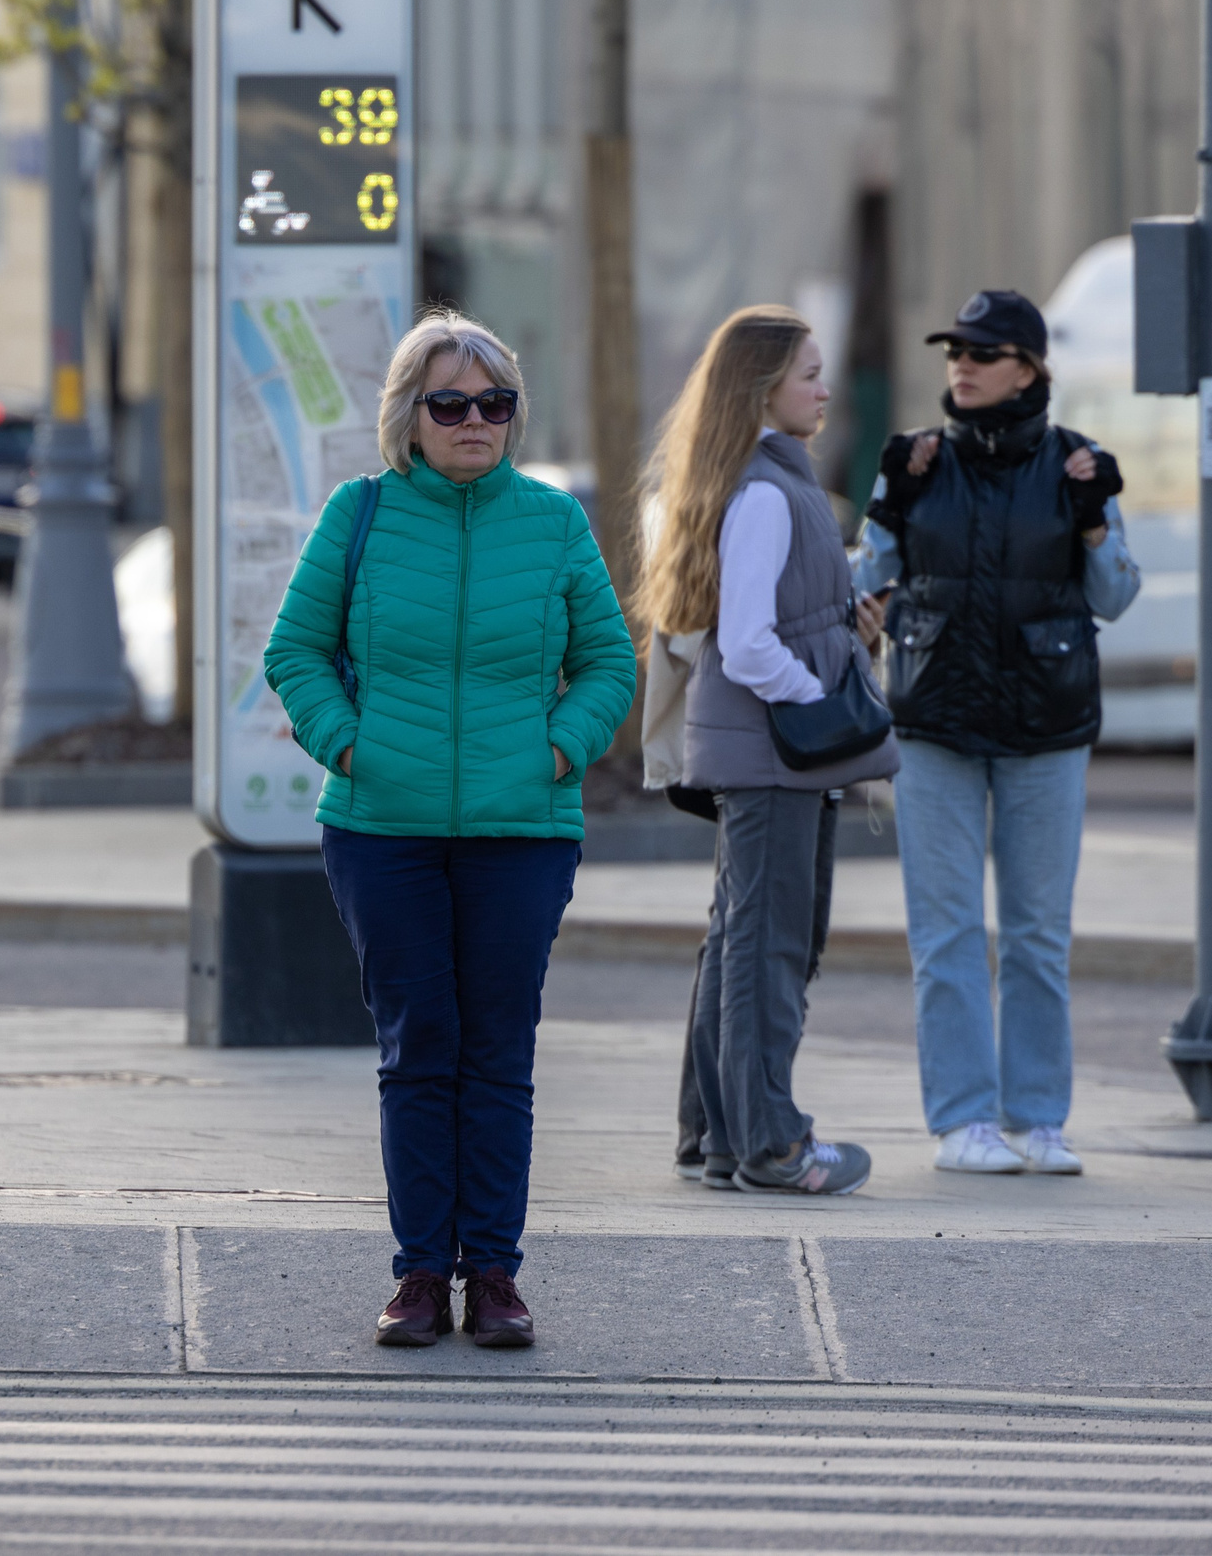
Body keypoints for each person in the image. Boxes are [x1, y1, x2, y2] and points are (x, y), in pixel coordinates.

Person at [263, 310, 634, 1349]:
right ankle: (422, 1273)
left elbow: (610, 661)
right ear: (409, 418)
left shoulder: (554, 522)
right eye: (451, 403)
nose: (475, 420)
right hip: (384, 828)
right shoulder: (360, 514)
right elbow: (294, 652)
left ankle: (498, 1275)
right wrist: (349, 746)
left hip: (523, 830)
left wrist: (560, 749)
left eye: (494, 402)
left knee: (499, 1052)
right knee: (418, 1047)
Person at [851, 289, 1140, 1177]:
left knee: (1037, 935)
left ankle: (1038, 1118)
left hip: (1047, 727)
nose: (962, 368)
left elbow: (1116, 596)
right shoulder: (914, 461)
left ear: (1029, 368)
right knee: (942, 934)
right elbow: (864, 580)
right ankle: (963, 1121)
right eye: (954, 353)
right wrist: (891, 507)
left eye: (982, 353)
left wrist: (1093, 521)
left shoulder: (1079, 464)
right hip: (934, 721)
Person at [639, 304, 895, 1198]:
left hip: (770, 755)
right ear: (762, 388)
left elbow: (772, 621)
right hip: (776, 755)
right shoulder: (764, 493)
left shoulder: (766, 483)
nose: (825, 388)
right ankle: (771, 1144)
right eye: (809, 374)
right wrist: (819, 696)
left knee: (746, 940)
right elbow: (748, 644)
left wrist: (841, 629)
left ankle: (714, 1136)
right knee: (768, 945)